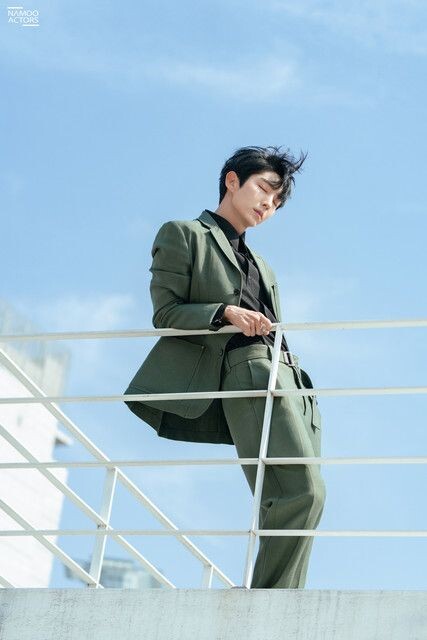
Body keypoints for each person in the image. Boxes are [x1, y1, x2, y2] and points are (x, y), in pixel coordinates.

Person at [124, 145, 326, 589]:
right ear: (232, 181)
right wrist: (223, 313)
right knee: (303, 492)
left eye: (277, 202)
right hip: (246, 369)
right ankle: (273, 601)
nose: (268, 205)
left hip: (288, 381)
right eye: (264, 190)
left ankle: (276, 600)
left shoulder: (262, 265)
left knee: (297, 496)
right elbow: (166, 313)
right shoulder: (184, 234)